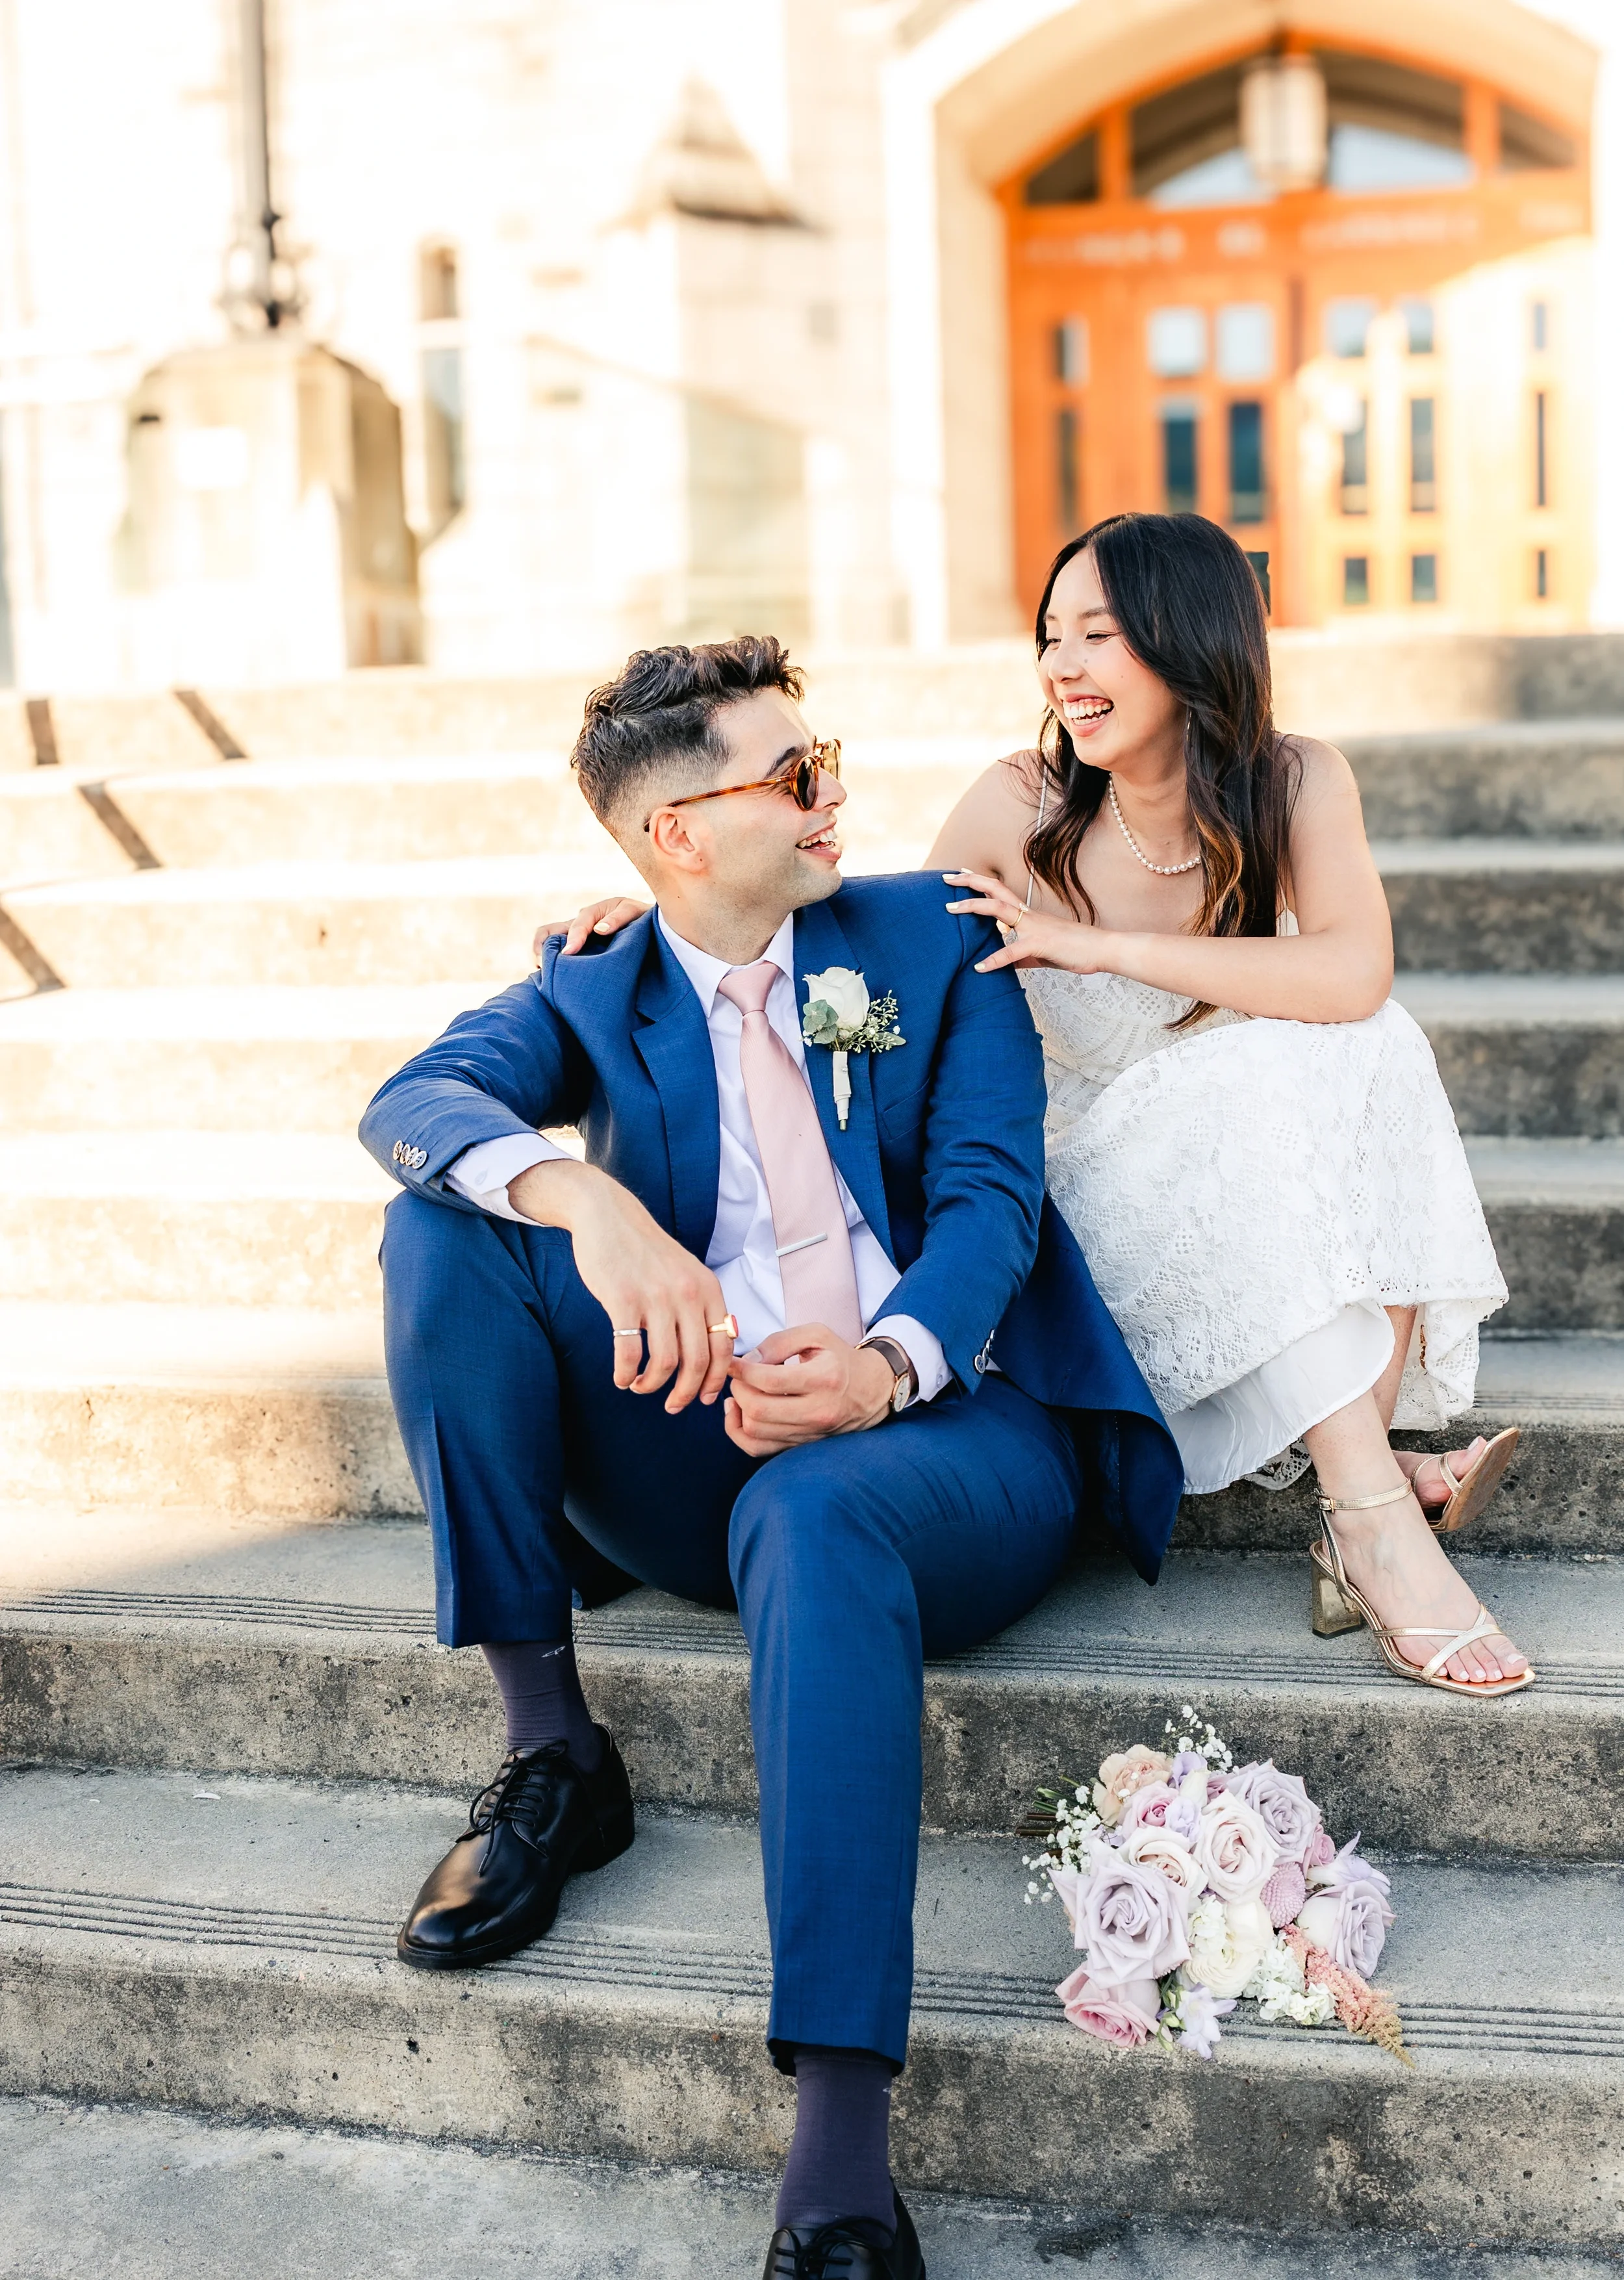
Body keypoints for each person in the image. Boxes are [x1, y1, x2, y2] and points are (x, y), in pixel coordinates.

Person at [361, 635, 1180, 2280]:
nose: (836, 800)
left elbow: (986, 1208)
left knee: (813, 1509)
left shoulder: (927, 942)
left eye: (829, 763)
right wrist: (587, 1201)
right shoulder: (593, 981)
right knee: (440, 1232)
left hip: (948, 1445)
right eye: (795, 778)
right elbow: (415, 1097)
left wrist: (881, 1372)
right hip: (694, 1443)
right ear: (677, 833)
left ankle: (838, 2161)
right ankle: (553, 1754)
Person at [548, 517, 1529, 1699]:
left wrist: (1093, 945)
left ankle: (1359, 1500)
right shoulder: (1022, 799)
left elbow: (1350, 976)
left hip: (1255, 1168)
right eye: (1049, 637)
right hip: (1081, 1186)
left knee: (1366, 1046)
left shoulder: (1297, 778)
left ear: (1191, 639)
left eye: (1099, 636)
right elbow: (852, 935)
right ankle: (1373, 1510)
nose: (1062, 668)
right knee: (1285, 1070)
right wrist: (667, 899)